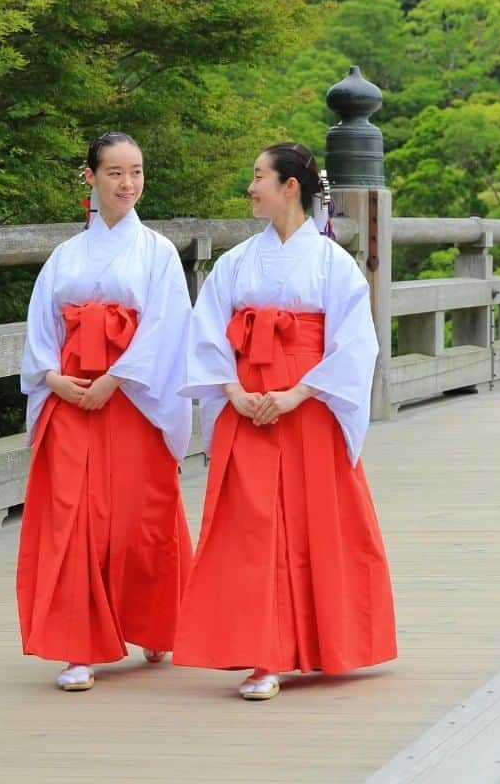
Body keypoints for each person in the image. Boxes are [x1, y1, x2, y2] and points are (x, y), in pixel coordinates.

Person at [173, 142, 396, 700]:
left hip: (307, 405)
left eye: (258, 177)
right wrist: (232, 389)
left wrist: (298, 393)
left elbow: (354, 343)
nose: (250, 188)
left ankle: (308, 646)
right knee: (250, 530)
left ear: (289, 187)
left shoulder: (332, 263)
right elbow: (205, 331)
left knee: (306, 525)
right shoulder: (236, 262)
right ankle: (262, 654)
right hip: (248, 403)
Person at [16, 132, 195, 692]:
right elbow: (41, 325)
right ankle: (80, 647)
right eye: (115, 172)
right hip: (70, 398)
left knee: (141, 520)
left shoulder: (158, 252)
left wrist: (116, 379)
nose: (127, 184)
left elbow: (167, 326)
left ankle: (154, 621)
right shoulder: (66, 256)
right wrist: (51, 378)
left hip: (133, 401)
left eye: (136, 172)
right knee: (73, 520)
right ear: (89, 178)